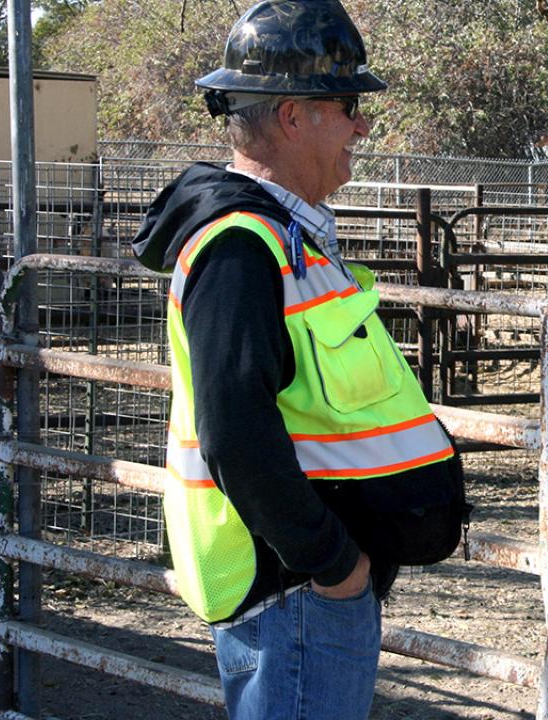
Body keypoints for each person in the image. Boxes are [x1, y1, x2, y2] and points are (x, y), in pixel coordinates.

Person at [132, 1, 460, 717]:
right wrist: (336, 566)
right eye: (348, 105)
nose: (362, 127)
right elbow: (236, 435)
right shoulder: (243, 247)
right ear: (293, 115)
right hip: (295, 592)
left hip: (305, 588)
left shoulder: (279, 238)